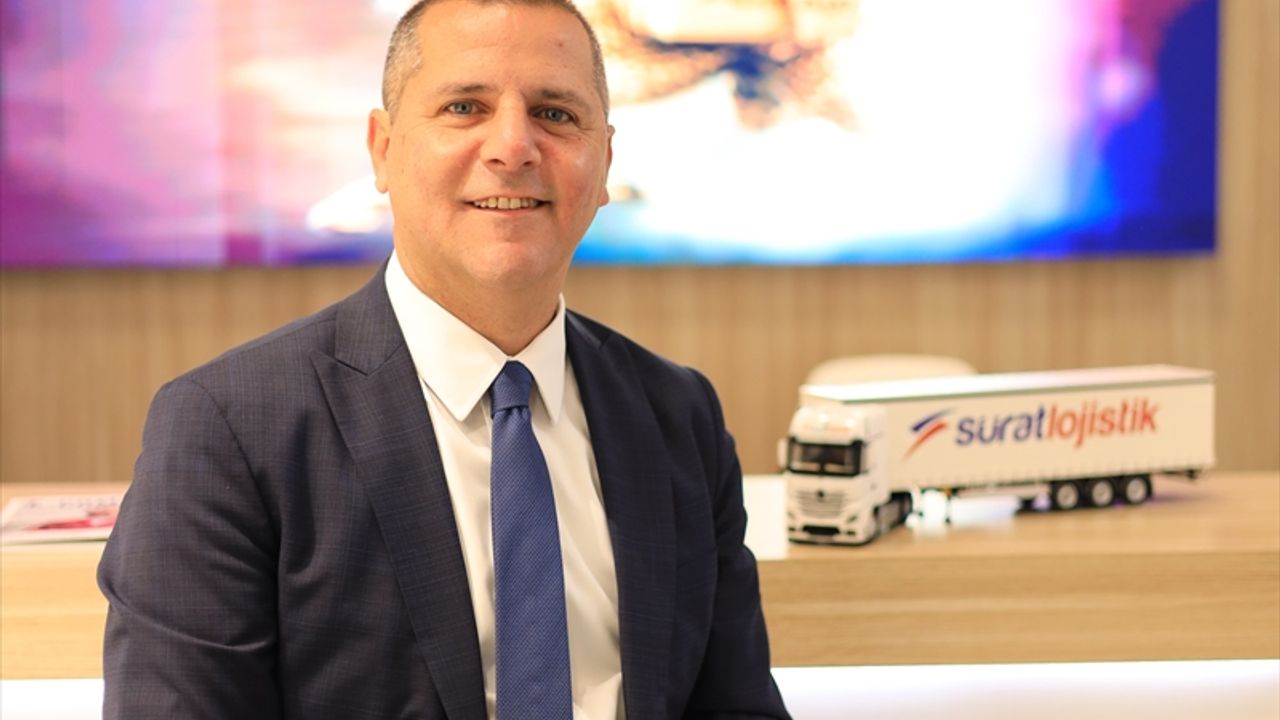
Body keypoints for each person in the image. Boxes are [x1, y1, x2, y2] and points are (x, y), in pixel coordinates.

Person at [97, 1, 791, 718]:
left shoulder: (676, 415)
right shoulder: (228, 427)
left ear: (605, 161)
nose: (513, 147)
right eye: (465, 107)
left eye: (555, 114)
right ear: (382, 150)